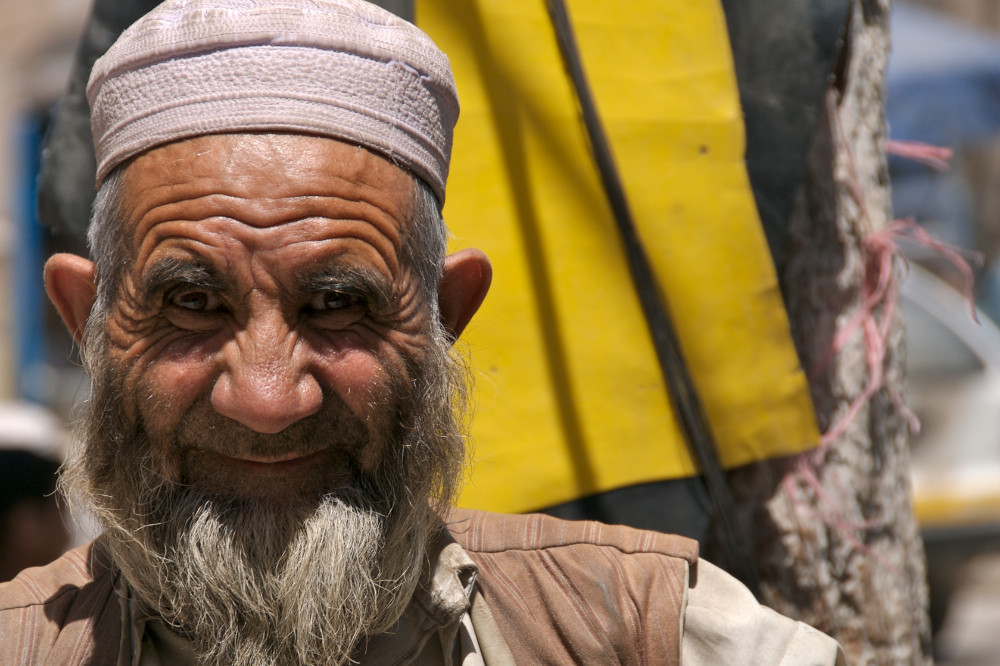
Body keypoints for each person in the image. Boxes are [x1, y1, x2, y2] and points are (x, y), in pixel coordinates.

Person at [0, 1, 846, 664]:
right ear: (89, 321)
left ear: (445, 313)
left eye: (336, 305)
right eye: (192, 304)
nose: (265, 398)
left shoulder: (641, 629)